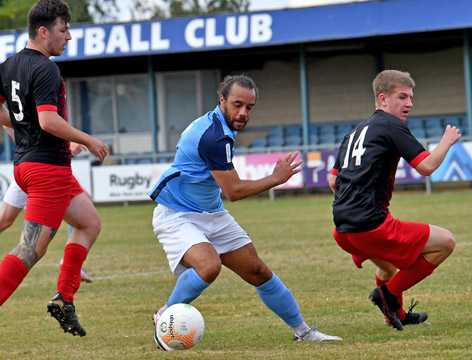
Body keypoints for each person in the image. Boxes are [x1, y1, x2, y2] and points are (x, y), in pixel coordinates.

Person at [149, 74, 341, 351]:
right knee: (208, 266)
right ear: (222, 100)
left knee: (257, 270)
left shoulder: (220, 125)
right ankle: (165, 314)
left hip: (211, 212)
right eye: (237, 104)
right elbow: (234, 191)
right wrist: (276, 178)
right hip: (177, 214)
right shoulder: (213, 136)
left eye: (249, 107)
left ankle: (304, 332)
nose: (243, 113)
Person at [0, 0, 107, 349]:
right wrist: (88, 140)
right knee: (31, 248)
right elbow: (48, 120)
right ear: (43, 32)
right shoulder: (46, 69)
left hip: (30, 164)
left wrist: (23, 129)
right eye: (63, 29)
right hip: (47, 170)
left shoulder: (8, 65)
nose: (68, 37)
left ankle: (64, 298)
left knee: (89, 222)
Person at [329, 70, 460, 331]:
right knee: (446, 242)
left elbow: (333, 181)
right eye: (402, 97)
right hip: (370, 226)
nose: (409, 103)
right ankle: (388, 295)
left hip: (343, 229)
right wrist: (446, 142)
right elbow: (426, 166)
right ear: (383, 99)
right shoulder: (391, 125)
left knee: (387, 268)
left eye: (410, 97)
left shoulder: (354, 132)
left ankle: (395, 315)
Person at [0, 136, 93, 284]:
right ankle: (71, 264)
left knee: (3, 220)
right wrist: (64, 144)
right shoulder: (34, 114)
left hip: (32, 164)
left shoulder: (19, 114)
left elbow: (16, 126)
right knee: (82, 205)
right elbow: (37, 126)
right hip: (43, 167)